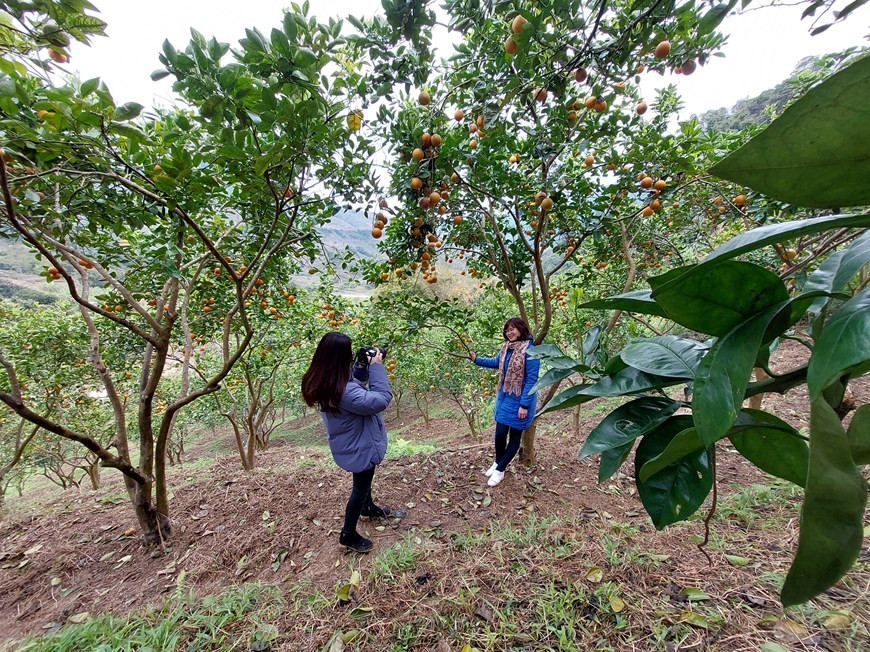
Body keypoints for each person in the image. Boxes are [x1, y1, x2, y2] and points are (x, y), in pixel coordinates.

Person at [301, 332, 393, 553]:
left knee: (365, 477)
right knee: (360, 488)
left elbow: (354, 384)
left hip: (352, 441)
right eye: (350, 354)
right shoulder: (344, 391)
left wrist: (361, 367)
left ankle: (368, 508)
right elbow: (381, 399)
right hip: (359, 444)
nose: (352, 356)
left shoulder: (326, 379)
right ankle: (348, 533)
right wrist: (376, 367)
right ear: (340, 358)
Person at [468, 317, 540, 487]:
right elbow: (496, 363)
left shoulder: (531, 351)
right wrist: (476, 359)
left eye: (512, 329)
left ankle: (500, 470)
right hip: (506, 396)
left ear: (521, 329)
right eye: (507, 330)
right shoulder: (506, 348)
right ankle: (497, 462)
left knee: (514, 436)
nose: (509, 333)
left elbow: (532, 380)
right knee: (500, 434)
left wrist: (524, 405)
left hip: (521, 399)